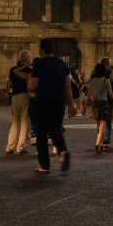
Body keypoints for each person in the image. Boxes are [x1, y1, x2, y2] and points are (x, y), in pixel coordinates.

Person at [27, 39, 76, 175]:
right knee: (55, 131)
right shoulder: (62, 65)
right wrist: (71, 104)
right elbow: (68, 87)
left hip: (42, 101)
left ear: (41, 50)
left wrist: (30, 82)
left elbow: (33, 87)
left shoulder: (39, 65)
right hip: (59, 102)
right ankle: (63, 151)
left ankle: (44, 166)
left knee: (41, 134)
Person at [87, 62, 113, 153]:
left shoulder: (93, 80)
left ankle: (99, 144)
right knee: (102, 127)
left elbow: (89, 94)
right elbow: (111, 94)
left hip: (96, 105)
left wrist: (85, 105)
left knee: (98, 126)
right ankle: (97, 145)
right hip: (104, 104)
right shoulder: (106, 81)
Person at [5, 50, 33, 154]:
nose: (31, 59)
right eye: (30, 57)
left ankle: (10, 146)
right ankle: (21, 147)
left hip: (15, 97)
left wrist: (8, 93)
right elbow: (29, 83)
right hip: (25, 96)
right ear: (26, 59)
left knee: (15, 122)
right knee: (25, 122)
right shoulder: (28, 70)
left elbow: (9, 84)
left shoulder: (12, 69)